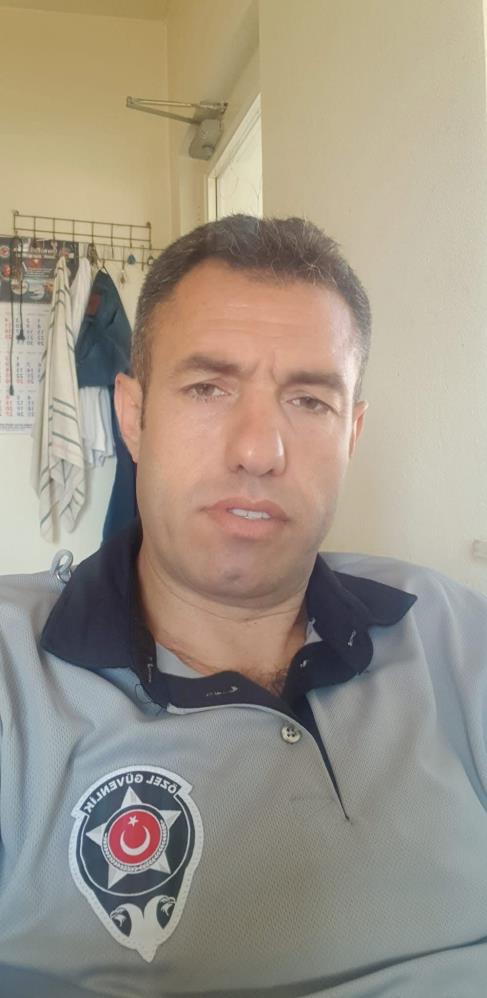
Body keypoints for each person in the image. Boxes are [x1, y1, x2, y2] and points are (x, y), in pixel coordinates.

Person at [0, 215, 486, 998]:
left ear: (351, 433)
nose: (259, 450)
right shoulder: (14, 675)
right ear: (133, 416)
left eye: (309, 400)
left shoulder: (452, 632)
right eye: (207, 388)